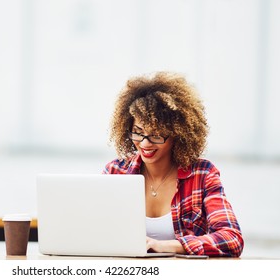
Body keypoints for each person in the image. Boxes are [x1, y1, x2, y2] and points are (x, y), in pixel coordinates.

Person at [103, 72, 244, 257]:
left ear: (178, 134)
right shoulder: (115, 172)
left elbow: (232, 239)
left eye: (156, 135)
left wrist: (170, 246)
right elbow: (99, 231)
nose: (145, 143)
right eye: (138, 132)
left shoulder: (202, 175)